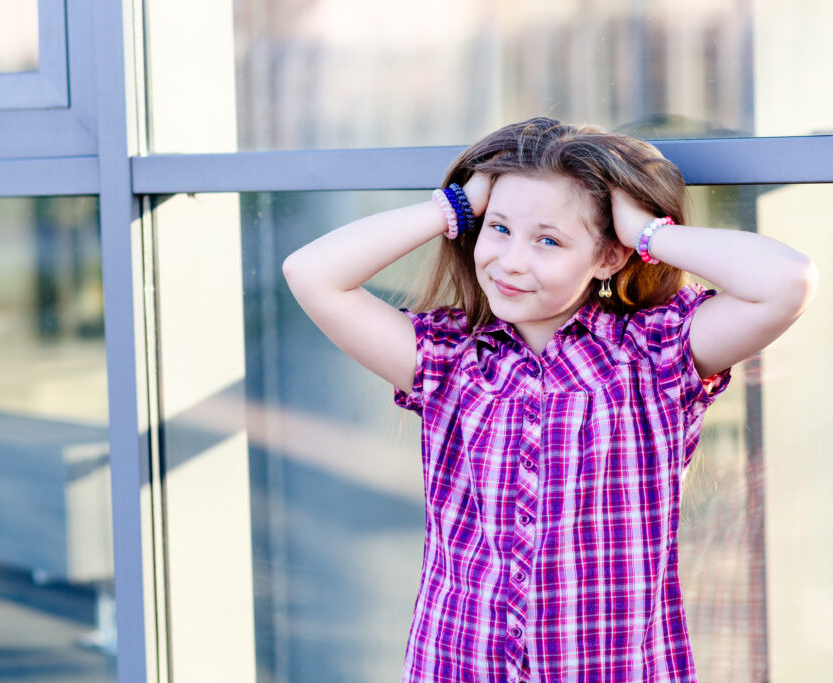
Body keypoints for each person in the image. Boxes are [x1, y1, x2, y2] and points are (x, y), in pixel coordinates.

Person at [281, 117, 818, 682]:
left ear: (608, 257)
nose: (512, 261)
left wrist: (646, 234)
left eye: (548, 240)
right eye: (498, 228)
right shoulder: (446, 359)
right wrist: (453, 208)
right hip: (459, 665)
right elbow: (312, 273)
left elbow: (786, 283)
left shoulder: (655, 355)